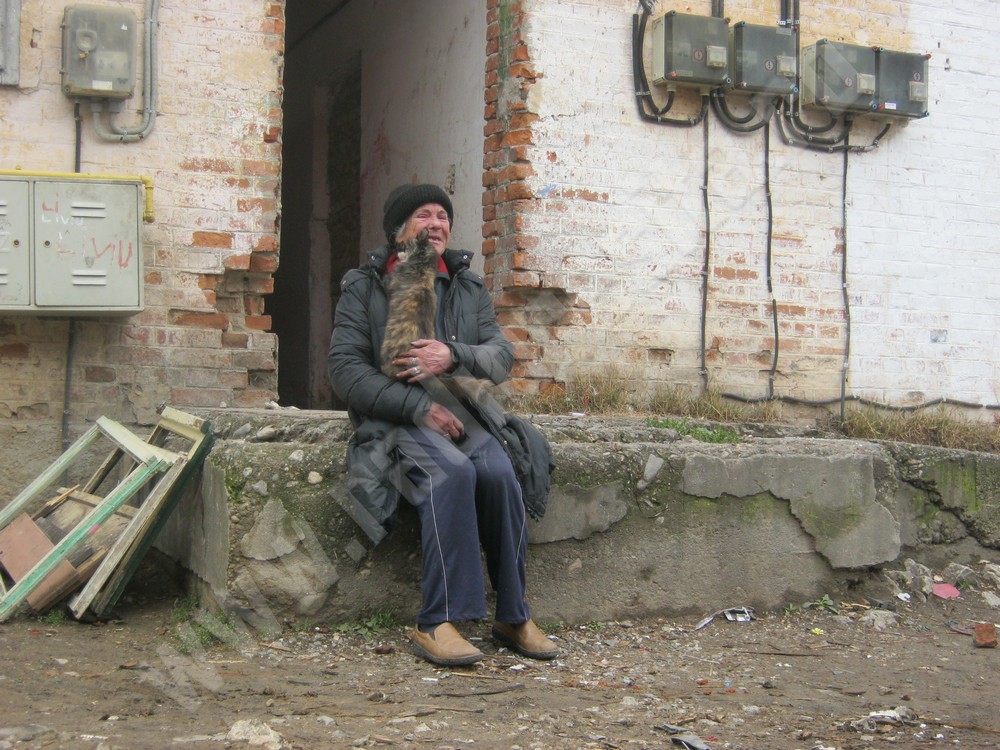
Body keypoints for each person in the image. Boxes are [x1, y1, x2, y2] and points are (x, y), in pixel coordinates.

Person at [327, 183, 559, 666]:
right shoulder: (364, 286)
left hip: (462, 413)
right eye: (423, 215)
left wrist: (452, 354)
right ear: (398, 230)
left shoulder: (467, 286)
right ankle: (436, 620)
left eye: (443, 216)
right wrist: (417, 407)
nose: (436, 224)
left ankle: (512, 615)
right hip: (397, 420)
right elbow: (345, 370)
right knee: (451, 472)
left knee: (500, 471)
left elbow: (500, 355)